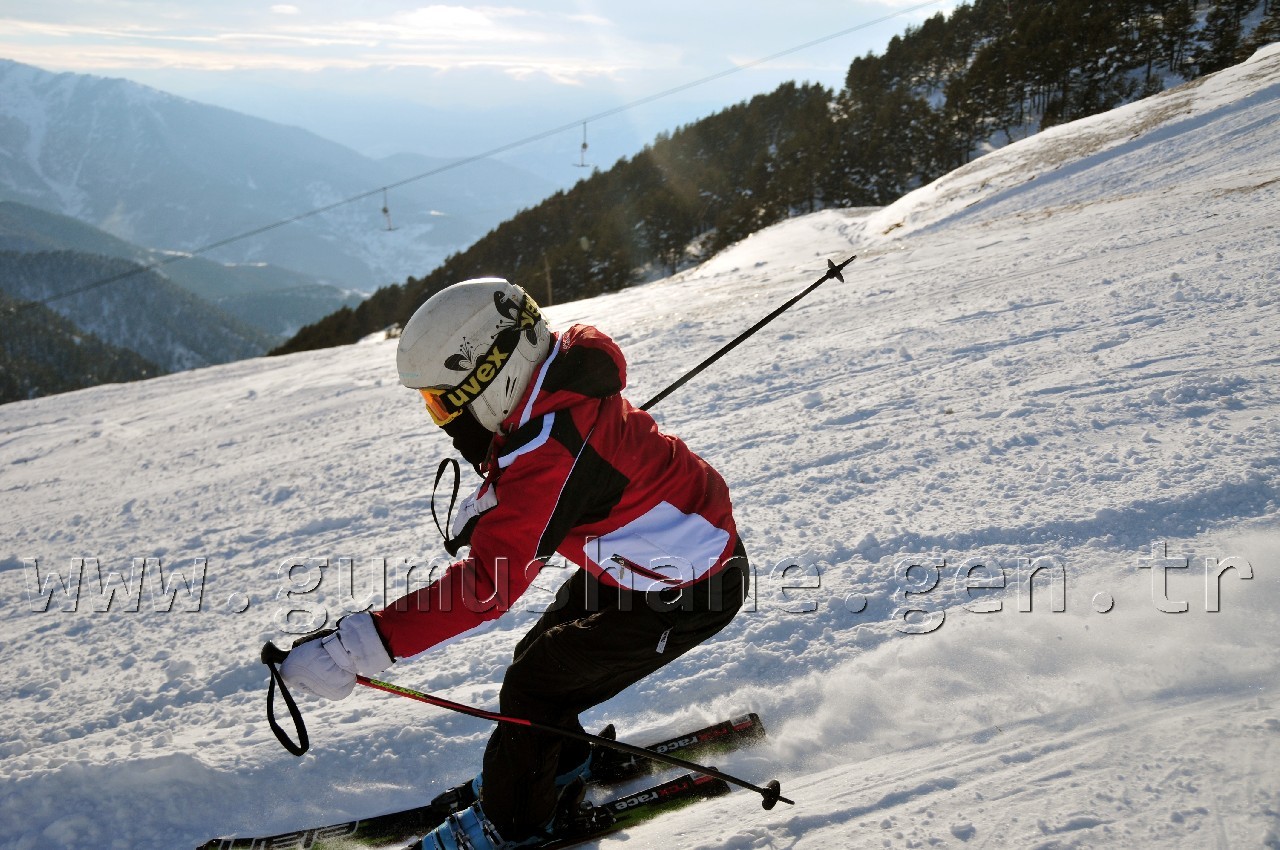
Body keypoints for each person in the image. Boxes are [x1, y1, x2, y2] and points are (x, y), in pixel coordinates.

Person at [280, 278, 748, 849]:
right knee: (539, 657)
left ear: (489, 373)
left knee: (535, 686)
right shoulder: (555, 384)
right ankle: (554, 767)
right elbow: (550, 459)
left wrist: (354, 647)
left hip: (690, 588)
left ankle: (514, 824)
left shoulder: (551, 453)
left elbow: (486, 588)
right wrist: (500, 496)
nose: (442, 419)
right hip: (641, 564)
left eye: (441, 400)